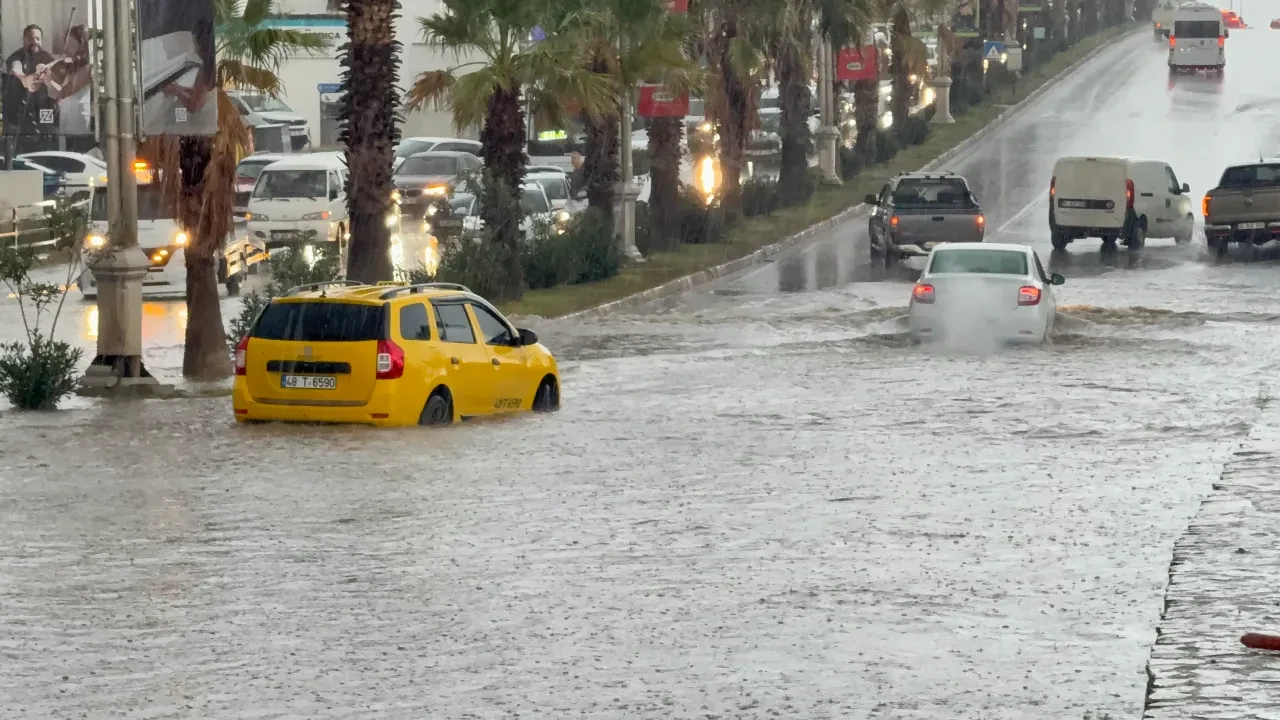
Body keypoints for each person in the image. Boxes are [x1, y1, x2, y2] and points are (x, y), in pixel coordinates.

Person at [3, 25, 58, 137]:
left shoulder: (47, 57)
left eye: (38, 39)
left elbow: (56, 80)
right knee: (21, 141)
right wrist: (25, 79)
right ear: (23, 40)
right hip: (19, 110)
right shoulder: (16, 56)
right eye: (30, 39)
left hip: (43, 108)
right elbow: (15, 68)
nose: (35, 42)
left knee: (47, 138)